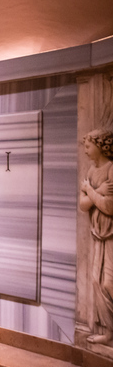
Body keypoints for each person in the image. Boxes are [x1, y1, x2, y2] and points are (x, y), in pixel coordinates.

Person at [80, 128, 113, 345]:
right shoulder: (91, 173)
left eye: (88, 146)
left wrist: (90, 191)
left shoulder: (111, 170)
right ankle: (109, 330)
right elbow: (83, 206)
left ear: (100, 145)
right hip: (97, 234)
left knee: (109, 283)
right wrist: (97, 191)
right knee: (95, 280)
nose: (85, 151)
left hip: (110, 235)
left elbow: (109, 207)